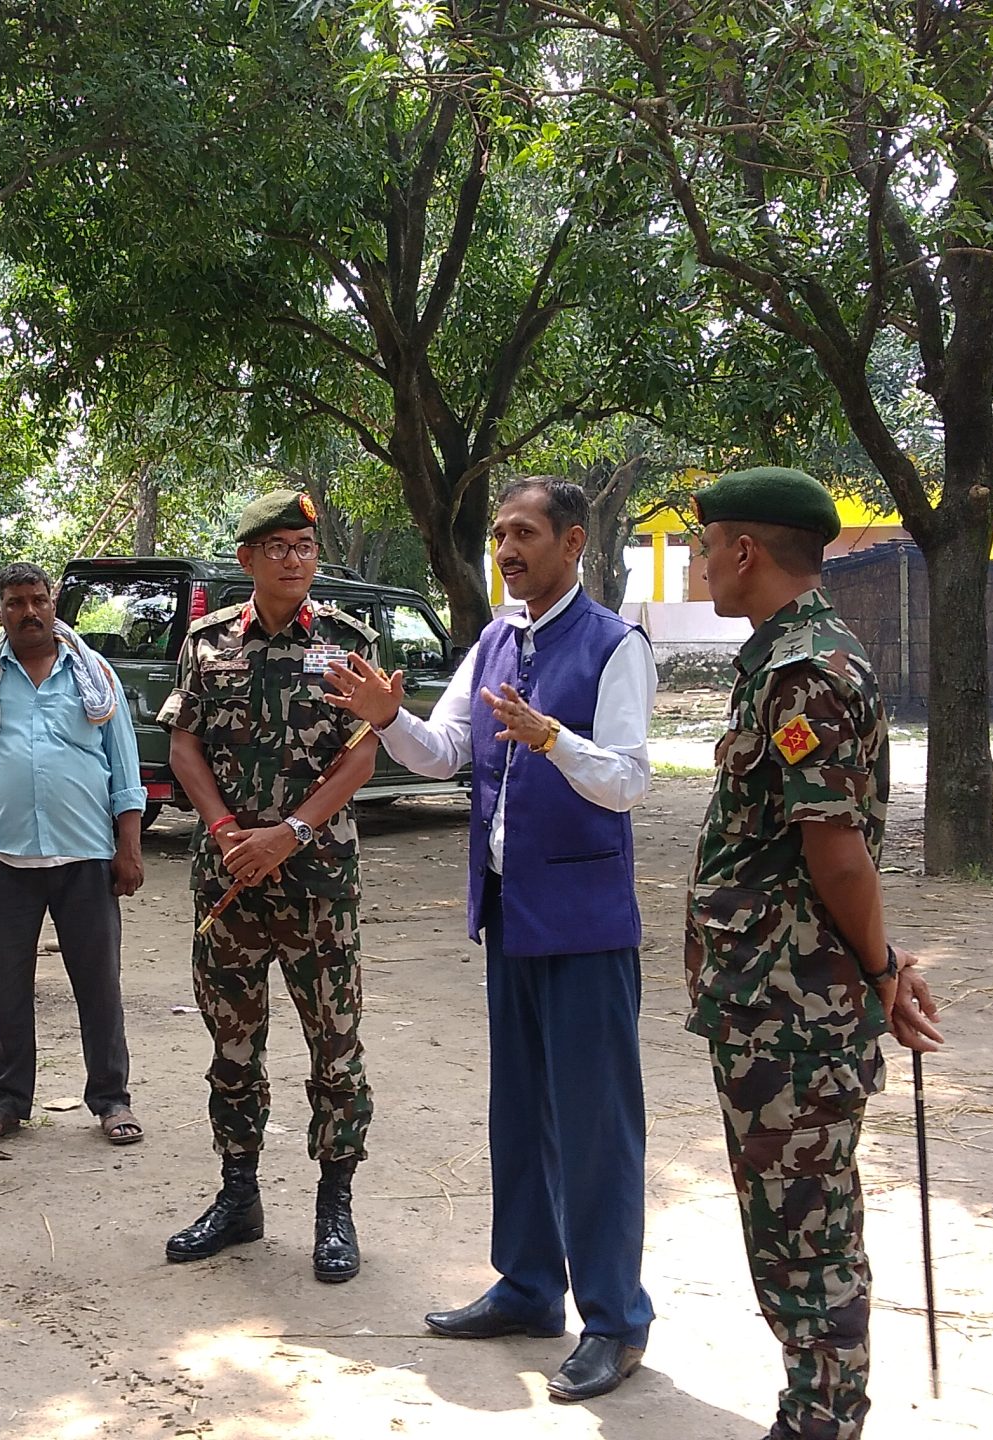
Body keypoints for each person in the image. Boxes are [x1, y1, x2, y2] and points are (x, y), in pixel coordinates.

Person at [324, 477, 658, 1400]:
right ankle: (526, 1286)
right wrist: (388, 720)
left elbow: (628, 782)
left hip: (586, 923)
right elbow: (451, 752)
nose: (506, 550)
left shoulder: (615, 646)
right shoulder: (496, 640)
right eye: (499, 535)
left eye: (524, 533)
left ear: (573, 543)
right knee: (519, 1110)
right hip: (512, 910)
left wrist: (556, 740)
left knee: (595, 1125)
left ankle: (616, 1321)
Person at [683, 467, 944, 1440]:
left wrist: (882, 971)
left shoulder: (803, 671)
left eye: (707, 544)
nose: (703, 561)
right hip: (769, 998)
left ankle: (822, 1422)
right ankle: (813, 1411)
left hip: (788, 1011)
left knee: (805, 1240)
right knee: (793, 1230)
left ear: (744, 550)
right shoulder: (783, 659)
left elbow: (834, 853)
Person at [157, 490, 379, 1283]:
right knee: (234, 1050)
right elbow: (184, 744)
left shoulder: (349, 642)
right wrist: (223, 831)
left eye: (304, 547)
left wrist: (292, 833)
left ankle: (335, 1207)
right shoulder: (207, 642)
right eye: (277, 546)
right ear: (247, 559)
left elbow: (363, 754)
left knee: (335, 1051)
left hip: (317, 883)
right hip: (231, 884)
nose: (294, 559)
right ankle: (238, 1196)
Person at [0, 561, 147, 1150]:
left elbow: (124, 766)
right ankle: (7, 1102)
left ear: (54, 604)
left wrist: (129, 848)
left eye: (38, 599)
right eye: (16, 602)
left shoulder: (93, 675)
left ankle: (111, 1100)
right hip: (2, 859)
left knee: (99, 985)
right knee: (5, 988)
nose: (30, 611)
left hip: (86, 857)